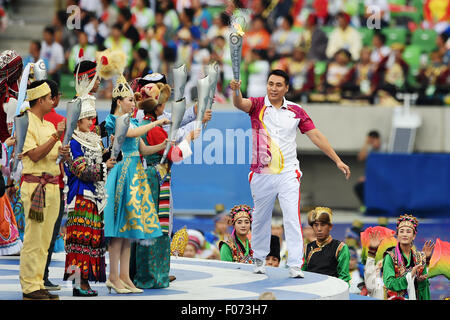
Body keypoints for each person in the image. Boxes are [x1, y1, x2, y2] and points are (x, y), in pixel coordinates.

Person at [230, 69, 351, 278]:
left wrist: (337, 160)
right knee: (260, 217)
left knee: (292, 217)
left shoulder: (296, 110)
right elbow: (239, 103)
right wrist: (236, 90)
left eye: (278, 85)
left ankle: (295, 265)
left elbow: (316, 136)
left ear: (286, 88)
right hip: (262, 173)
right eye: (270, 83)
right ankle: (259, 259)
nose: (273, 88)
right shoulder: (257, 104)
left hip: (288, 173)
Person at [131, 76, 201, 289]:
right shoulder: (153, 128)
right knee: (157, 229)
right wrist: (188, 139)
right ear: (157, 106)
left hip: (151, 178)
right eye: (162, 104)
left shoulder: (146, 124)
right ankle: (153, 275)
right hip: (156, 180)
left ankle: (151, 273)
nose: (165, 108)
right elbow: (175, 155)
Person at [103, 74, 169, 294]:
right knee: (118, 228)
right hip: (123, 173)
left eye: (133, 100)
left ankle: (124, 277)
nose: (134, 104)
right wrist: (157, 123)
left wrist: (164, 145)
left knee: (128, 230)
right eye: (130, 100)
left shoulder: (130, 120)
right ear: (119, 101)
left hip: (135, 173)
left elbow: (142, 149)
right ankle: (113, 276)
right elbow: (132, 133)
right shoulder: (114, 121)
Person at [19, 80, 70, 300]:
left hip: (51, 185)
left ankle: (38, 282)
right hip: (35, 186)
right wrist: (55, 138)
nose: (53, 102)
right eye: (50, 98)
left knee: (46, 239)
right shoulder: (25, 122)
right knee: (33, 239)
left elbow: (54, 156)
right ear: (40, 100)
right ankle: (29, 286)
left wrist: (65, 152)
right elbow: (35, 155)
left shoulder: (49, 125)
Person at [62, 96, 116, 297]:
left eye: (93, 118)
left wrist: (112, 149)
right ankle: (78, 284)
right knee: (79, 242)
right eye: (88, 119)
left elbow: (100, 159)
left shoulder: (93, 139)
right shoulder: (72, 141)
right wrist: (104, 167)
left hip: (95, 196)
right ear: (78, 121)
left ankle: (84, 281)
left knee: (91, 241)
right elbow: (80, 169)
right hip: (81, 195)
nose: (92, 122)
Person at [41, 80, 66, 291]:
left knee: (38, 235)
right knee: (47, 234)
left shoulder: (29, 119)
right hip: (52, 184)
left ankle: (36, 277)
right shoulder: (60, 122)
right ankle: (41, 277)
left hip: (34, 184)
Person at [382, 214, 432, 300]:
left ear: (414, 236)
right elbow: (389, 283)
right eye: (401, 231)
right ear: (397, 235)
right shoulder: (390, 256)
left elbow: (424, 287)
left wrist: (420, 281)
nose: (404, 234)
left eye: (408, 231)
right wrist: (409, 277)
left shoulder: (420, 257)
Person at [302, 207, 351, 285]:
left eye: (323, 225)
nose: (319, 229)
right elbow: (302, 274)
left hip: (332, 292)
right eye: (316, 225)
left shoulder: (340, 248)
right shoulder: (306, 248)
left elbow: (344, 279)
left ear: (330, 226)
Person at [354, 130, 384, 208]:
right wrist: (366, 144)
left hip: (382, 178)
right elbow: (360, 158)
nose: (371, 143)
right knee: (359, 187)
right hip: (373, 178)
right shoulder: (371, 151)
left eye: (372, 141)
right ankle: (366, 206)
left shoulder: (385, 150)